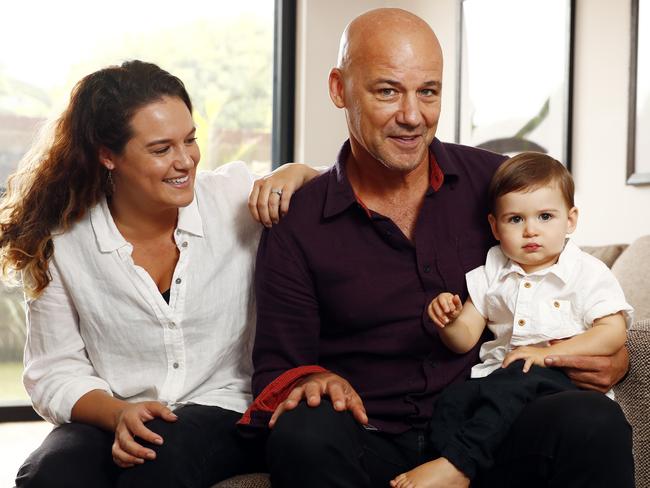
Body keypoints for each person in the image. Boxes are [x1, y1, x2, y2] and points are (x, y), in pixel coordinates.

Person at [244, 8, 634, 488]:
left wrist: (610, 357)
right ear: (338, 89)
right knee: (301, 434)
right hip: (368, 436)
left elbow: (568, 283)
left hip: (489, 426)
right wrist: (309, 382)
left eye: (427, 91)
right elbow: (279, 368)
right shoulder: (298, 220)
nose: (412, 116)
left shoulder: (497, 185)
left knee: (593, 421)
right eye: (387, 91)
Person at [0, 60, 318, 488]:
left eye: (190, 140)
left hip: (225, 409)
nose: (185, 160)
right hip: (115, 411)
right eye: (161, 149)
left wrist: (299, 174)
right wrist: (117, 415)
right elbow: (54, 370)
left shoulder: (233, 199)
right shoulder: (63, 242)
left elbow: (342, 203)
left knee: (156, 463)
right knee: (49, 473)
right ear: (107, 155)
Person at [391, 152, 632, 488]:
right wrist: (448, 322)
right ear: (494, 225)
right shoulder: (494, 269)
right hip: (499, 382)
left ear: (571, 220)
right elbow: (465, 336)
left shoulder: (586, 272)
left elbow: (613, 332)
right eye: (515, 219)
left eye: (546, 216)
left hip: (560, 384)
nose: (531, 230)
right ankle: (448, 464)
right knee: (453, 401)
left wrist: (547, 355)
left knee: (519, 374)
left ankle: (460, 464)